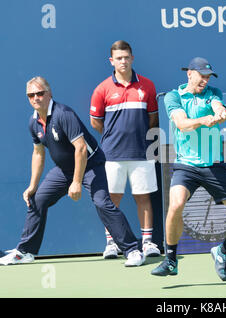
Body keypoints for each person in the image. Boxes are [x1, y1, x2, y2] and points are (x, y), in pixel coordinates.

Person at [0, 77, 145, 267]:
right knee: (37, 199)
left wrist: (76, 182)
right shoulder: (33, 122)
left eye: (40, 93)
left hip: (91, 165)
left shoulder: (63, 114)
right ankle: (25, 252)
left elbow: (81, 149)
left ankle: (132, 250)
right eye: (31, 95)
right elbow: (38, 153)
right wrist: (32, 186)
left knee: (102, 202)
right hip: (64, 169)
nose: (36, 98)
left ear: (49, 94)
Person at [151, 57, 226, 281]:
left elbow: (217, 105)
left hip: (214, 166)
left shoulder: (213, 93)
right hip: (186, 166)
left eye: (208, 77)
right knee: (175, 205)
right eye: (201, 76)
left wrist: (218, 112)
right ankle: (170, 260)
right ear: (189, 73)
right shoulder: (173, 96)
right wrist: (204, 120)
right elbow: (181, 123)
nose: (205, 81)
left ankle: (223, 251)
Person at [90, 40, 161, 259]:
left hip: (142, 152)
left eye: (126, 57)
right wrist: (114, 138)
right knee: (112, 200)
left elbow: (153, 118)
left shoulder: (147, 86)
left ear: (132, 58)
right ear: (111, 61)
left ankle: (148, 243)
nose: (123, 61)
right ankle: (112, 243)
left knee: (143, 197)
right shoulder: (102, 89)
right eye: (118, 58)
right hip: (112, 155)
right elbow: (96, 122)